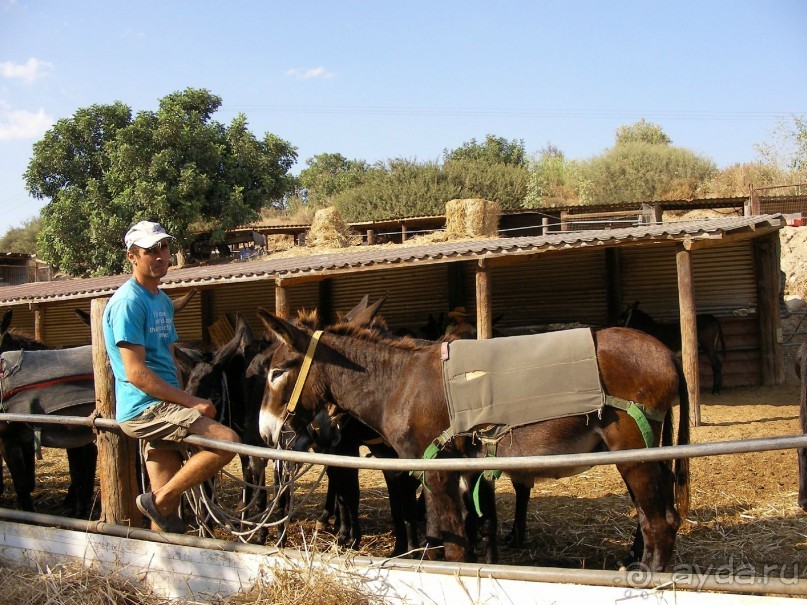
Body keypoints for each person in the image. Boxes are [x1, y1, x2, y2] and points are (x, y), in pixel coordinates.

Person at [103, 220, 240, 533]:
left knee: (167, 519)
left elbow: (169, 357)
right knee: (227, 442)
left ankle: (159, 562)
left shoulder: (161, 301)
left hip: (164, 404)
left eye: (164, 247)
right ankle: (160, 500)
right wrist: (191, 402)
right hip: (146, 407)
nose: (161, 255)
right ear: (132, 257)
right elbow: (136, 373)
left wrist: (182, 397)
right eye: (151, 250)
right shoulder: (129, 302)